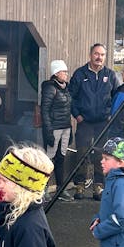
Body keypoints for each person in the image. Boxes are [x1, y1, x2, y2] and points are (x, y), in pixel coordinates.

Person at [69, 43, 120, 200]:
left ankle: (99, 186)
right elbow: (70, 97)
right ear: (90, 55)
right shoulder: (80, 74)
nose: (99, 57)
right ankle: (80, 186)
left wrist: (111, 115)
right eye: (96, 54)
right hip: (84, 121)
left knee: (101, 154)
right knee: (82, 153)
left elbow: (117, 97)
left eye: (102, 55)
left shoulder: (110, 75)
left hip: (103, 123)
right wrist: (77, 115)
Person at [39, 60, 73, 201]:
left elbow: (68, 109)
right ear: (56, 73)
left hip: (65, 127)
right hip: (54, 128)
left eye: (66, 71)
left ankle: (61, 188)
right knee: (49, 159)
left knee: (61, 158)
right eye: (63, 71)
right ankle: (44, 189)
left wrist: (70, 128)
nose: (66, 74)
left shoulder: (66, 87)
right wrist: (48, 131)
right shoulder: (50, 88)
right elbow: (44, 111)